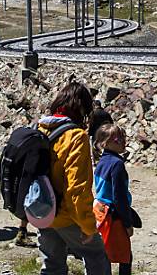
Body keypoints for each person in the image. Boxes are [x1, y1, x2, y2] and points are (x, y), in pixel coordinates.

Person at [37, 83, 110, 275]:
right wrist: (88, 226)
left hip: (42, 212)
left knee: (52, 265)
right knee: (96, 255)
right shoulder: (76, 137)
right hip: (66, 215)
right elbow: (76, 189)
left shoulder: (41, 128)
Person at [92, 124, 134, 275]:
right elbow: (119, 196)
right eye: (117, 139)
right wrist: (127, 223)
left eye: (123, 137)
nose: (122, 141)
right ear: (104, 143)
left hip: (100, 211)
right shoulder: (117, 164)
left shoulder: (101, 162)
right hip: (114, 215)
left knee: (105, 254)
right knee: (125, 257)